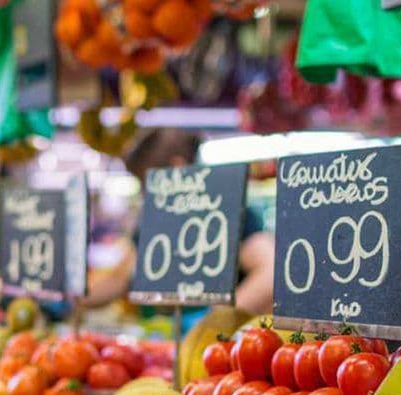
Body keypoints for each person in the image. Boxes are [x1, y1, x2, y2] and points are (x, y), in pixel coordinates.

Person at [84, 128, 276, 322]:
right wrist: (74, 297)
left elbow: (269, 273)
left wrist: (213, 323)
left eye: (147, 182)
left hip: (222, 343)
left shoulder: (229, 207)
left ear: (177, 167)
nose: (145, 193)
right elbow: (121, 277)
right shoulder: (153, 222)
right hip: (166, 339)